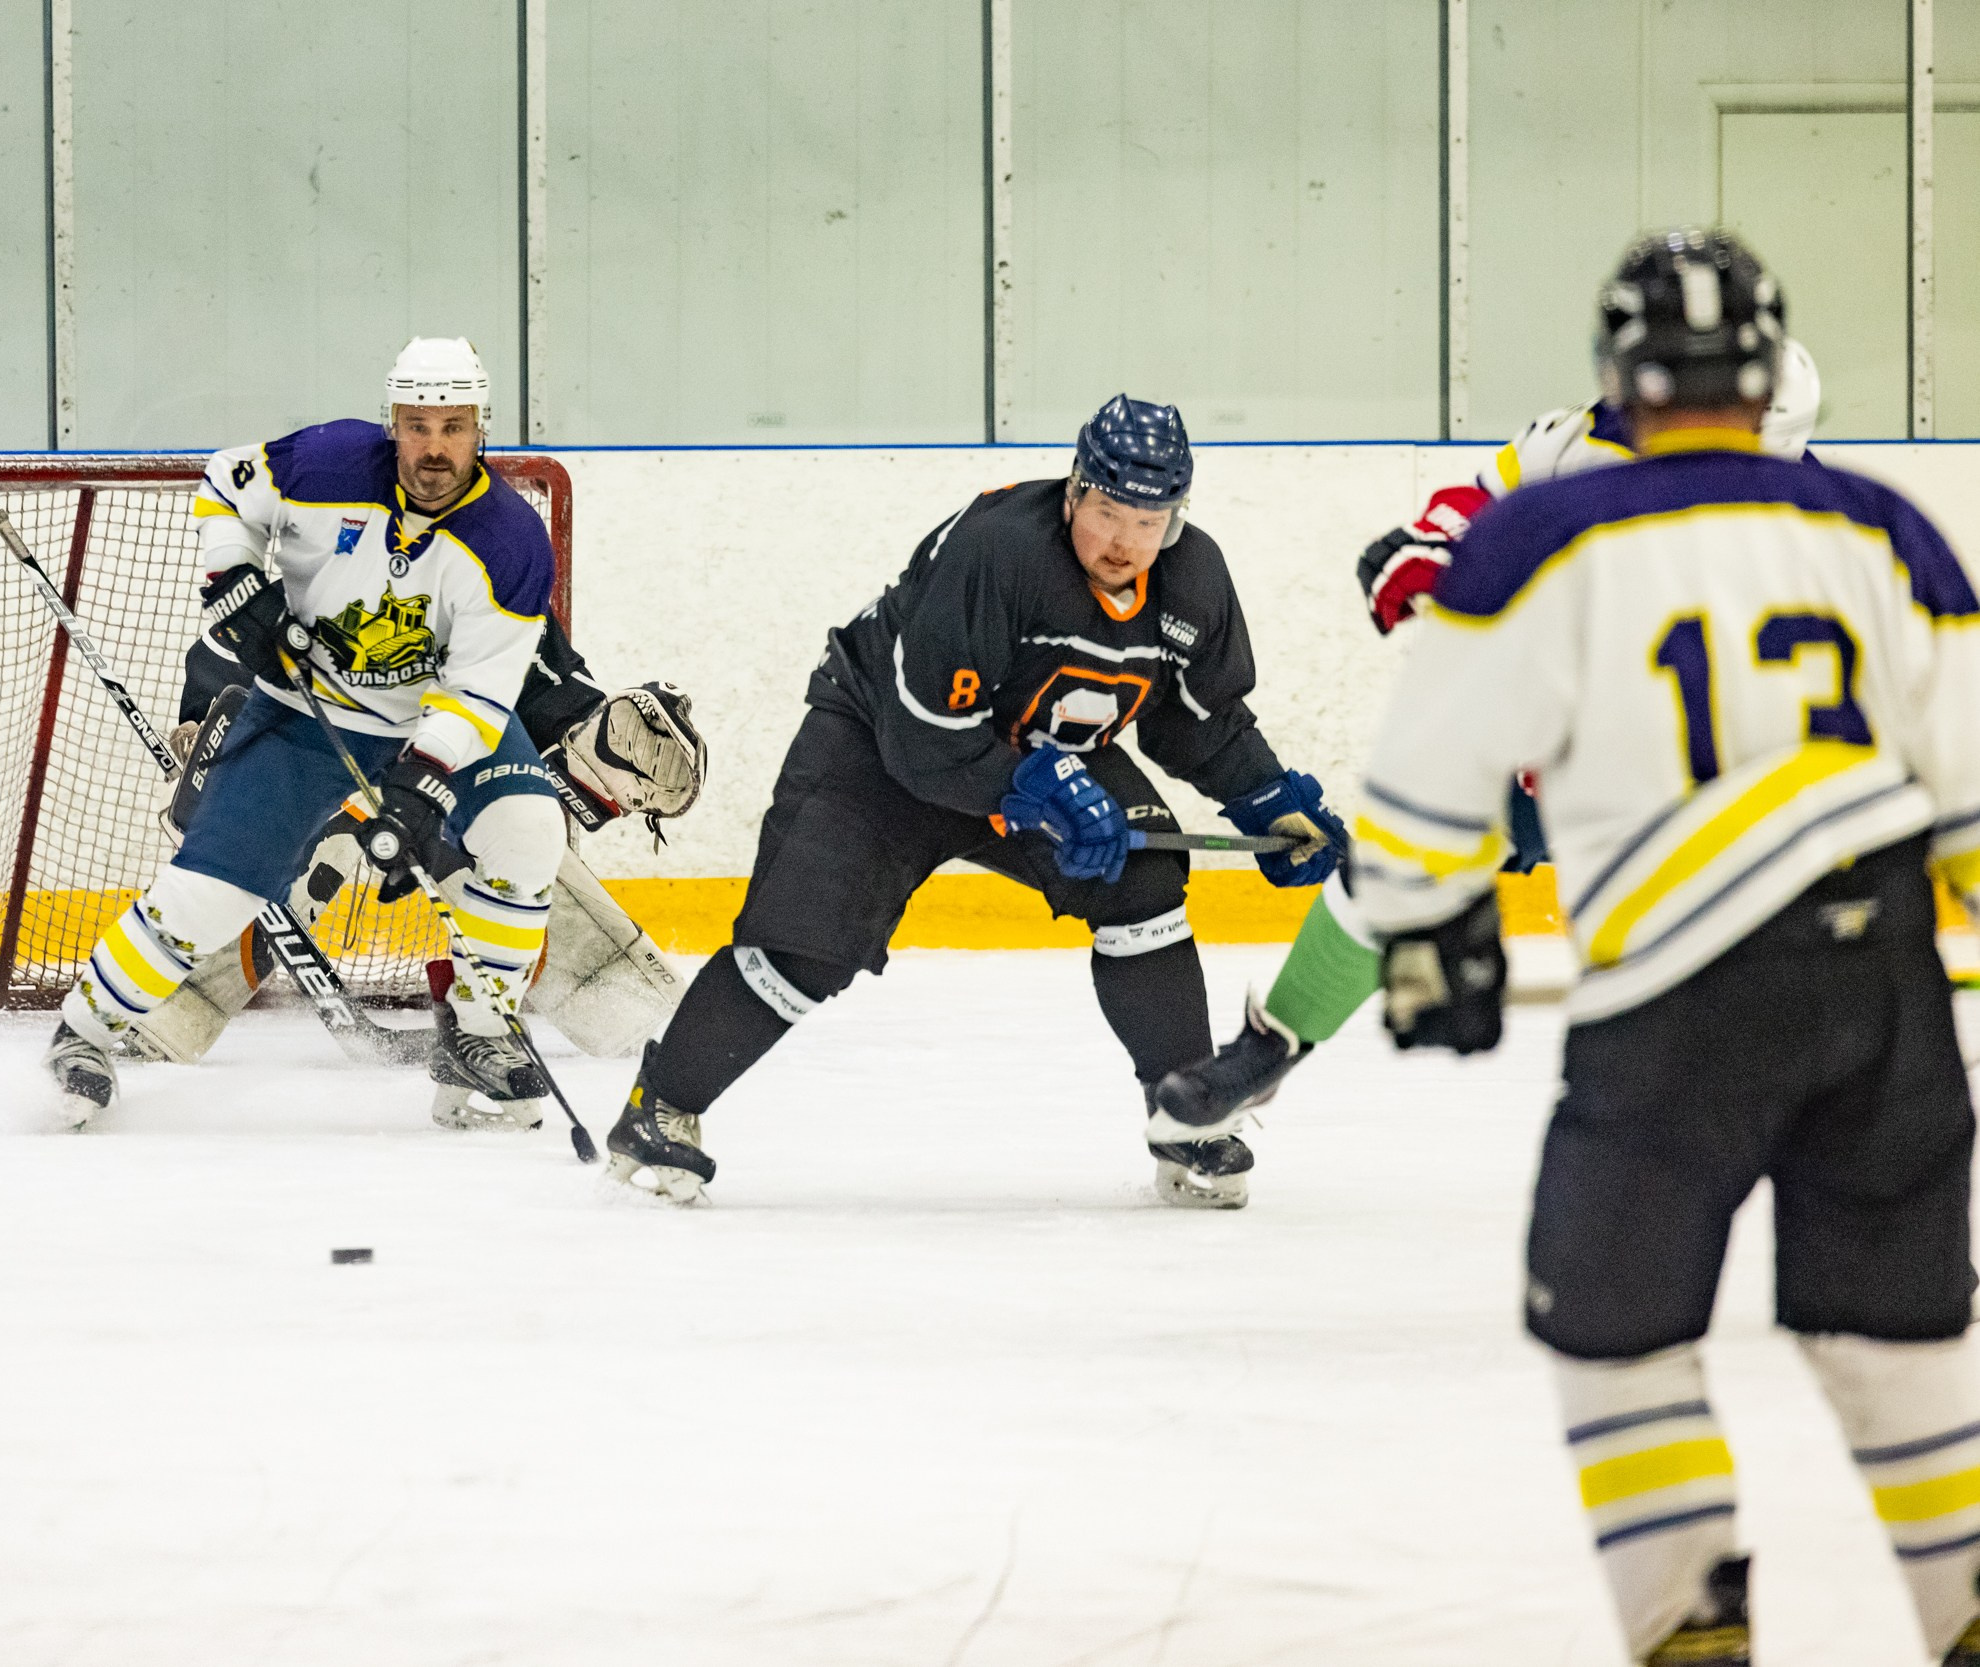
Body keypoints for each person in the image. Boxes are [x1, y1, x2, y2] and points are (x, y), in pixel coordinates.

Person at [1346, 229, 1980, 1664]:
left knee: (1614, 1332)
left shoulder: (1542, 536)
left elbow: (1419, 805)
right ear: (1770, 378)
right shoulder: (1892, 529)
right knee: (1903, 1345)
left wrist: (1421, 928)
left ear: (1618, 377)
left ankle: (1690, 1619)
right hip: (1884, 984)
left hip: (1675, 995)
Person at [601, 395, 1348, 1207]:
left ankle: (1186, 1122)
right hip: (881, 742)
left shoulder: (1193, 579)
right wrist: (1041, 788)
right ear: (1074, 492)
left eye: (1150, 520)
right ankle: (661, 1106)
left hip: (1039, 756)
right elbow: (925, 735)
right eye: (1107, 512)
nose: (1125, 542)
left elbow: (1199, 721)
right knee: (805, 948)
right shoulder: (1000, 547)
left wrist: (1269, 800)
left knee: (1143, 883)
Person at [1147, 336, 1821, 1136]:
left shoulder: (1807, 528)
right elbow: (1483, 502)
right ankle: (1270, 1049)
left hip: (1698, 789)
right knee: (1392, 864)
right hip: (1539, 754)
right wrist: (1438, 546)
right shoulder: (1581, 436)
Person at [42, 337, 571, 1131]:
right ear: (392, 421)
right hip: (301, 717)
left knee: (530, 831)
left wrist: (422, 782)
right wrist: (233, 578)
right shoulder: (327, 462)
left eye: (454, 425)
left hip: (435, 724)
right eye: (417, 424)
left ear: (482, 427)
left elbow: (481, 690)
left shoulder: (512, 542)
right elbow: (227, 479)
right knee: (208, 901)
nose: (434, 446)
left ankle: (480, 1031)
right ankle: (81, 1034)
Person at [128, 603, 708, 1075]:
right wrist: (206, 718)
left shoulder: (510, 624)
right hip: (324, 753)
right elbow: (226, 643)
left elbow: (549, 690)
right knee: (296, 843)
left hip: (429, 778)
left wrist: (585, 731)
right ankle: (165, 1008)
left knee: (521, 855)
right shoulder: (349, 576)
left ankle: (625, 1009)